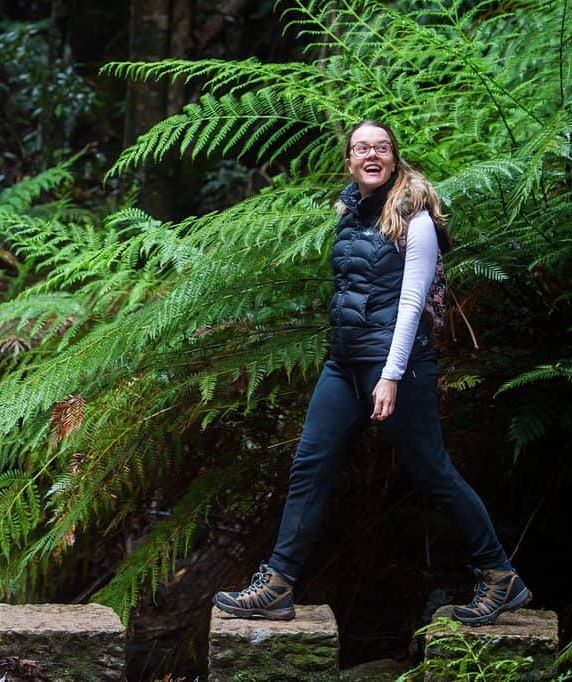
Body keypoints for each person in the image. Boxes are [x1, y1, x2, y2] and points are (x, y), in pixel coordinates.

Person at [212, 120, 531, 627]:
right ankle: (277, 584)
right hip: (343, 364)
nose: (371, 154)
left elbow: (411, 303)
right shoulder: (349, 215)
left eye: (381, 147)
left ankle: (499, 575)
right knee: (309, 466)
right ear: (350, 161)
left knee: (432, 471)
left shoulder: (416, 219)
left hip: (397, 366)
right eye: (362, 148)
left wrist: (391, 375)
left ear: (394, 157)